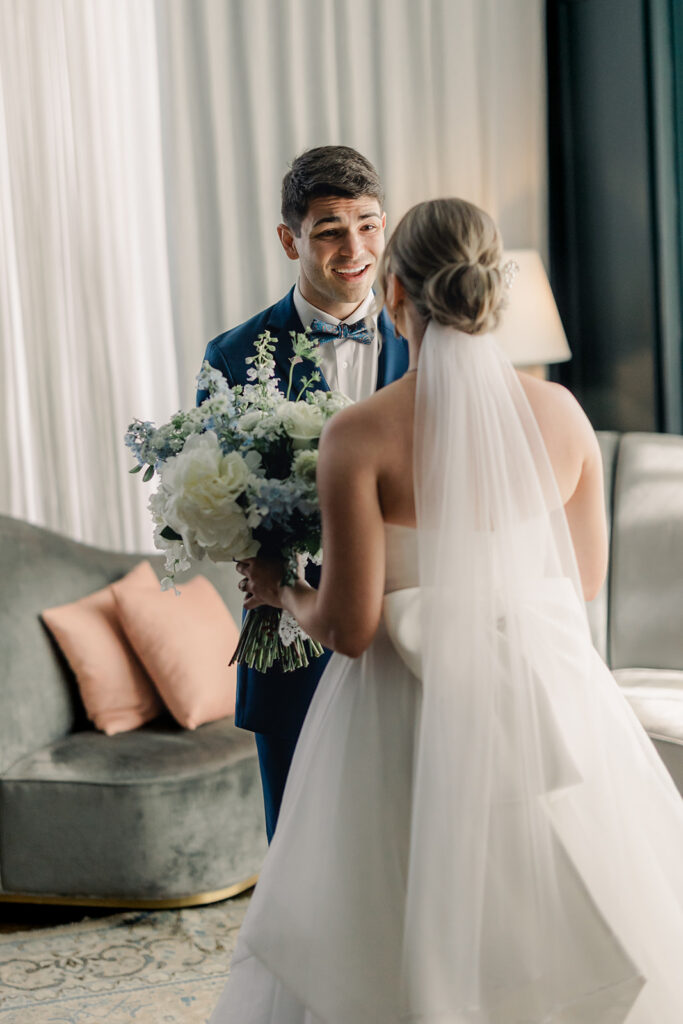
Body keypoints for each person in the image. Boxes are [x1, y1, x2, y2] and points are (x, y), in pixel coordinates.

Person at [209, 196, 683, 1023]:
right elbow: (582, 583)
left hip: (400, 713)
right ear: (491, 291)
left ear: (395, 293)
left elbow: (350, 630)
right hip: (539, 698)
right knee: (552, 908)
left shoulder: (359, 435)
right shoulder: (565, 417)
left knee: (381, 931)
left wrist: (281, 590)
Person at [196, 146, 409, 841]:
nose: (355, 249)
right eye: (329, 231)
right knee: (297, 845)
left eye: (369, 225)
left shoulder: (431, 338)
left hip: (411, 635)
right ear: (290, 239)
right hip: (292, 639)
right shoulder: (231, 355)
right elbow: (218, 493)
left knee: (405, 844)